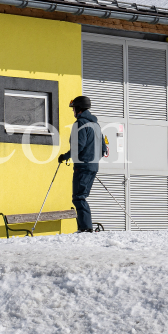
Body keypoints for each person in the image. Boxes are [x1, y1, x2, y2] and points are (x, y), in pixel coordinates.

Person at [57, 96, 108, 233]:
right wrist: (93, 161)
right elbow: (104, 149)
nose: (73, 111)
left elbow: (78, 145)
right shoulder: (96, 125)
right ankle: (84, 227)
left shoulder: (80, 124)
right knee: (81, 196)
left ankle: (86, 228)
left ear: (78, 109)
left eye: (74, 108)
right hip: (92, 166)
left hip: (83, 166)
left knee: (79, 197)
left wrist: (64, 156)